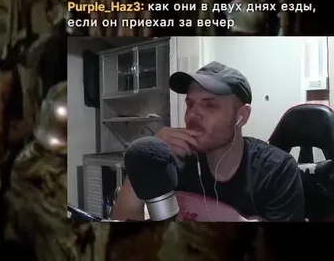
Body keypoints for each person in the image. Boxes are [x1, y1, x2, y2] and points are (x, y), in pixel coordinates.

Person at [109, 62, 305, 222]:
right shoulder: (173, 159)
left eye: (209, 105)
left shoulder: (277, 169)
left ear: (242, 116)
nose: (192, 114)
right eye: (190, 104)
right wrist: (146, 160)